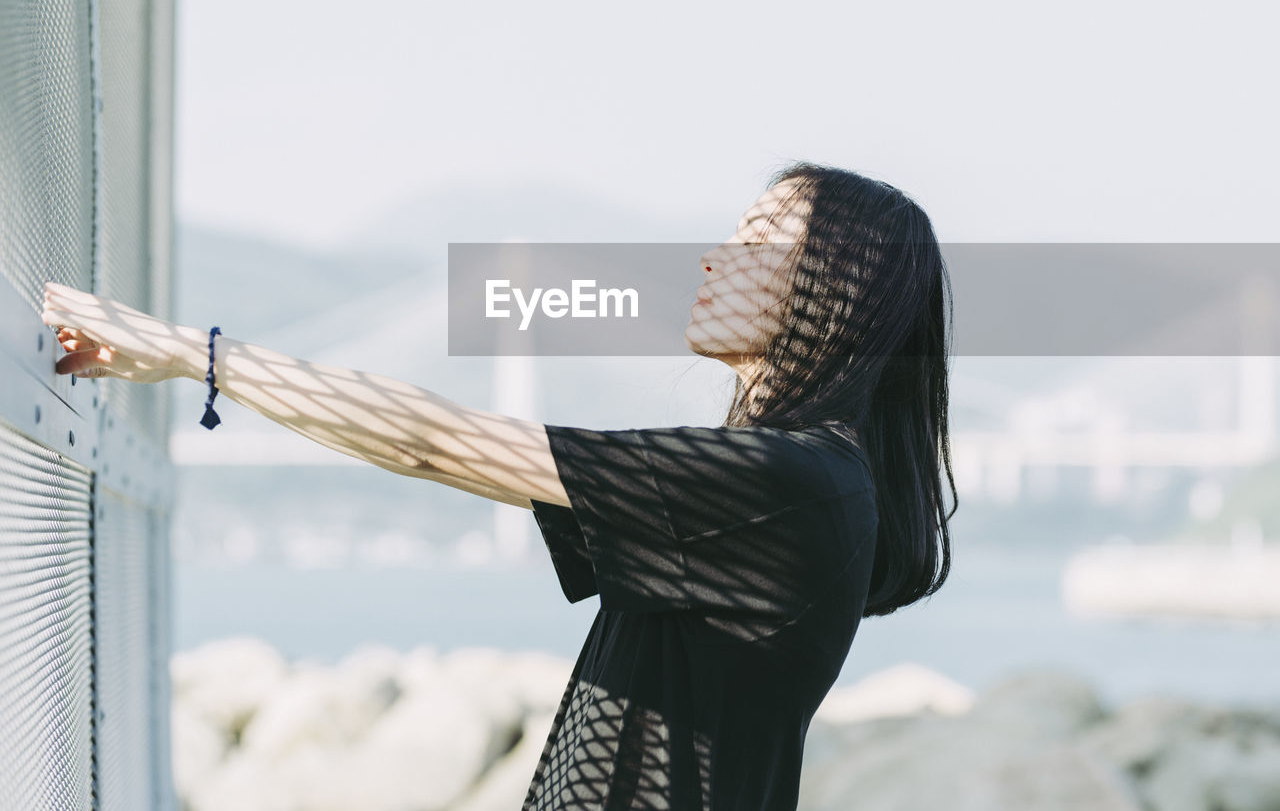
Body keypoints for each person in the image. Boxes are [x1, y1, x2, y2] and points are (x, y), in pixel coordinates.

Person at [41, 158, 957, 811]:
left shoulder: (789, 484)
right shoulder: (794, 484)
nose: (714, 256)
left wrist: (193, 356)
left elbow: (437, 444)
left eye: (757, 237)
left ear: (837, 284)